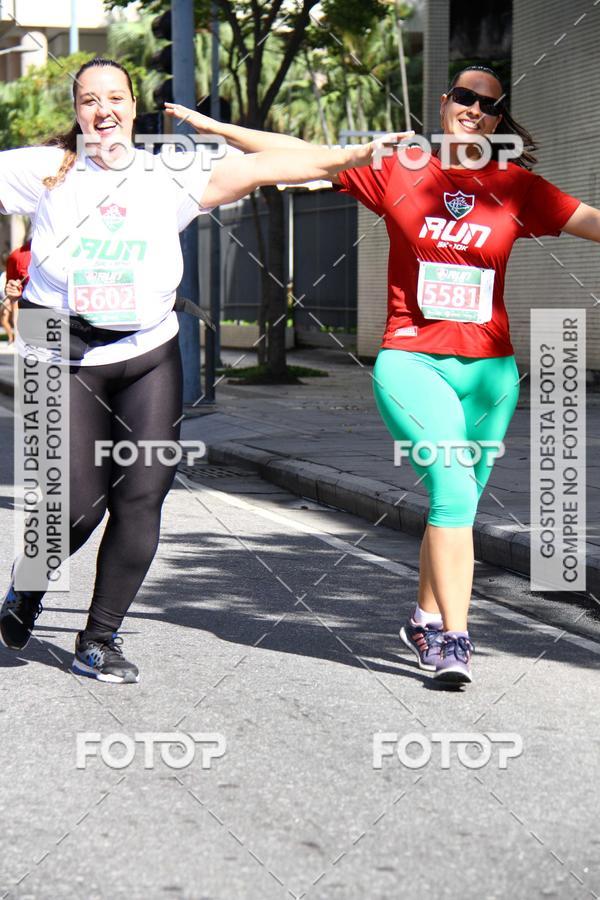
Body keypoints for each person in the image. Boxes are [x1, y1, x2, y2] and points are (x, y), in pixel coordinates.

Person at [166, 64, 600, 685]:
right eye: (464, 97)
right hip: (412, 358)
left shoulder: (516, 186)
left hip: (492, 375)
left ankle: (424, 617)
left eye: (488, 104)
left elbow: (593, 223)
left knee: (457, 507)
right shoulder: (404, 165)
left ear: (498, 118)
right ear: (445, 102)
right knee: (451, 491)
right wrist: (214, 126)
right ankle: (454, 638)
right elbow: (303, 157)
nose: (473, 109)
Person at [0, 56, 402, 683]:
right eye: (88, 100)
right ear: (76, 113)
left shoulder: (169, 173)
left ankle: (99, 639)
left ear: (133, 107)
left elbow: (266, 167)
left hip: (147, 348)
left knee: (142, 496)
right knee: (75, 508)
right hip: (57, 346)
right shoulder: (49, 169)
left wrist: (350, 158)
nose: (103, 110)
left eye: (116, 97)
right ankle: (28, 585)